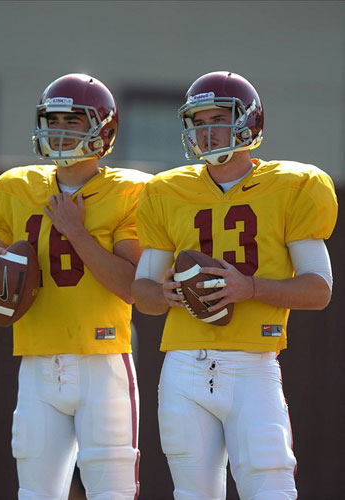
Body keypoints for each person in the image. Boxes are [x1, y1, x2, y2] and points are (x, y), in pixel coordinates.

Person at [132, 71, 338, 500]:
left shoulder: (294, 186)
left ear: (248, 122)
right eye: (198, 122)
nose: (206, 132)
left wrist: (251, 288)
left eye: (217, 119)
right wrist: (163, 294)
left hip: (253, 364)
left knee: (271, 485)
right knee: (192, 494)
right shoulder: (165, 190)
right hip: (184, 366)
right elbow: (144, 293)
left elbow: (319, 290)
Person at [0, 73, 151, 500]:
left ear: (103, 130)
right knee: (35, 493)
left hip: (102, 360)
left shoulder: (129, 191)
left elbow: (133, 286)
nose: (60, 130)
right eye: (54, 120)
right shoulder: (19, 187)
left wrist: (76, 232)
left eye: (74, 121)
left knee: (112, 491)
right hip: (36, 359)